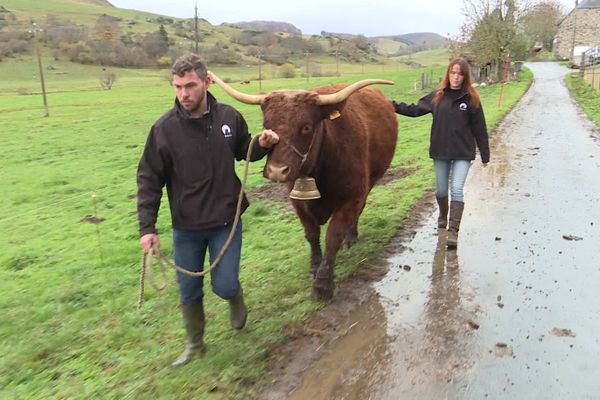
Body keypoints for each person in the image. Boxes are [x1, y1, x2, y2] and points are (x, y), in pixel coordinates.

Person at [136, 53, 279, 367]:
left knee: (224, 284)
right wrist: (147, 228)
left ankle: (235, 296)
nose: (183, 94)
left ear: (207, 82)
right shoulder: (164, 129)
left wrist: (263, 144)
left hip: (225, 220)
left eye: (190, 86)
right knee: (188, 291)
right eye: (178, 87)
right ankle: (195, 345)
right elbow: (148, 178)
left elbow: (244, 149)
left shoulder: (229, 117)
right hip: (185, 227)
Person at [391, 57, 489, 248]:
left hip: (462, 153)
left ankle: (453, 232)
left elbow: (480, 129)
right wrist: (391, 105)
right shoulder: (437, 96)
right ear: (448, 74)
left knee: (457, 189)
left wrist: (485, 154)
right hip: (441, 151)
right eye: (453, 73)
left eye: (460, 74)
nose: (456, 77)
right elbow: (414, 110)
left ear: (465, 76)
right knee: (442, 190)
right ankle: (443, 215)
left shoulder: (471, 99)